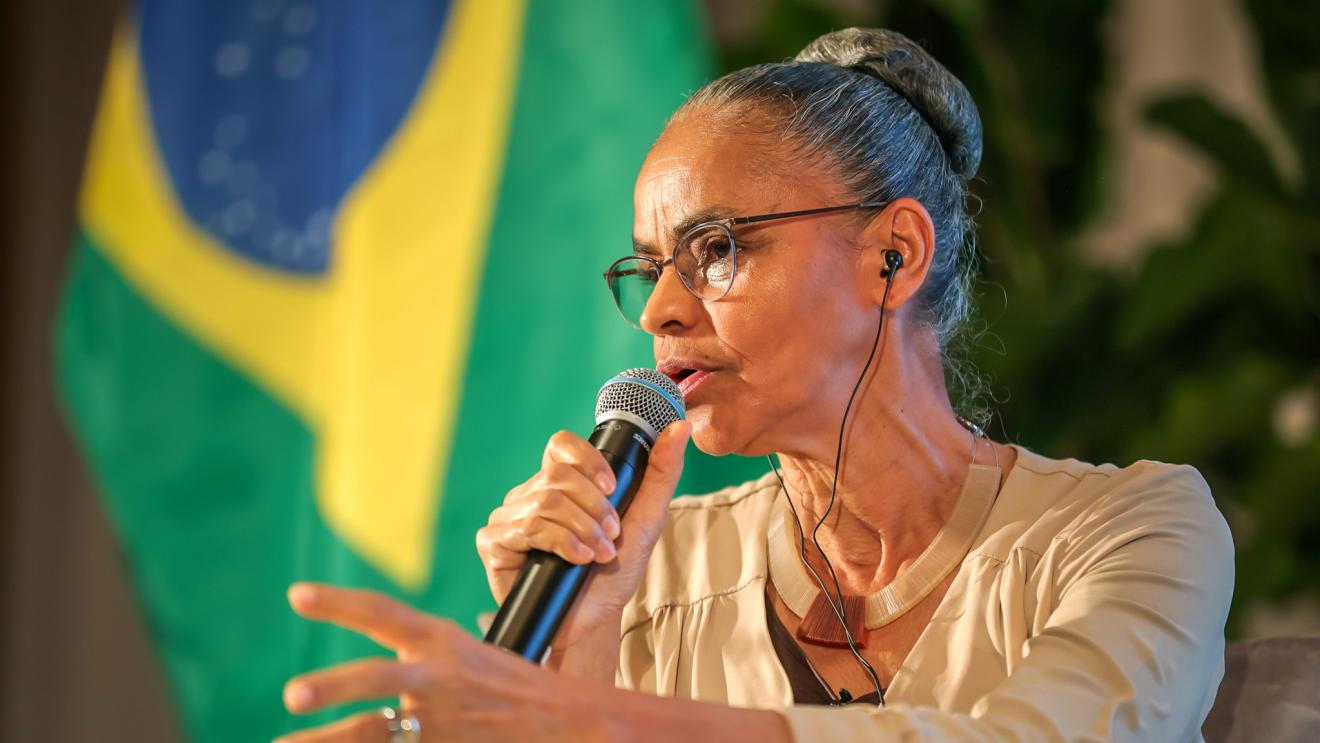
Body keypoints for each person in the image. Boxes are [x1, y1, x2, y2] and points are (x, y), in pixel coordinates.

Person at [275, 28, 1234, 742]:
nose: (659, 311)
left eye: (716, 249)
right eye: (648, 268)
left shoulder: (1133, 529)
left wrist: (584, 717)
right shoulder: (650, 569)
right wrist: (585, 640)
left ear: (893, 256)